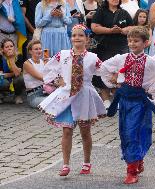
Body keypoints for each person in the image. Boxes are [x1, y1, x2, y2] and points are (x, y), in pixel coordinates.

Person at [99, 26, 155, 184]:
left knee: (136, 133)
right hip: (124, 101)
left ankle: (132, 170)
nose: (132, 44)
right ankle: (136, 159)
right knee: (125, 133)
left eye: (136, 41)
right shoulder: (122, 58)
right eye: (130, 40)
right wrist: (113, 82)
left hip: (140, 103)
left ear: (146, 43)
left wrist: (151, 89)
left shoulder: (151, 62)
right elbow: (104, 67)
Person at [38, 24, 106, 176]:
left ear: (87, 39)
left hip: (84, 96)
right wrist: (56, 81)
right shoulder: (62, 55)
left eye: (81, 35)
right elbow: (49, 69)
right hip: (67, 96)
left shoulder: (92, 58)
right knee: (67, 130)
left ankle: (87, 162)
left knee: (85, 131)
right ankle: (65, 164)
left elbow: (105, 71)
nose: (77, 38)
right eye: (74, 35)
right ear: (70, 38)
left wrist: (116, 77)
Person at [91, 0, 133, 108]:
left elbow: (132, 27)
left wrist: (122, 30)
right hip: (103, 47)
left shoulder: (124, 12)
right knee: (103, 70)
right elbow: (94, 27)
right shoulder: (101, 11)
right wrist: (110, 30)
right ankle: (105, 100)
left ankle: (117, 97)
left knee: (119, 71)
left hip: (120, 46)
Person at [23, 40, 47, 108]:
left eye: (40, 49)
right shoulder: (27, 63)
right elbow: (41, 77)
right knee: (53, 102)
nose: (39, 51)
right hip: (34, 96)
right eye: (36, 49)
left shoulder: (43, 61)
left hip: (45, 92)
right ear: (30, 51)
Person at [0, 38, 25, 104]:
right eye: (7, 47)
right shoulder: (0, 57)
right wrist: (12, 74)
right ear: (2, 49)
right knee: (3, 82)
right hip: (3, 79)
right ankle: (1, 95)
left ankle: (17, 95)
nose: (9, 48)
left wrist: (11, 59)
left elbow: (17, 74)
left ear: (14, 47)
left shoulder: (19, 56)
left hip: (14, 77)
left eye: (11, 46)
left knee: (20, 79)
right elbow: (1, 75)